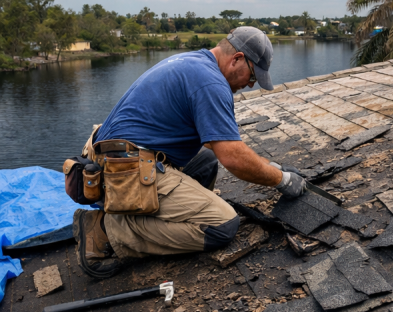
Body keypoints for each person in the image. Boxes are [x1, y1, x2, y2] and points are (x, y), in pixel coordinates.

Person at [73, 26, 307, 279]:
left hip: (109, 160)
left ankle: (158, 216)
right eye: (253, 75)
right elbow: (233, 158)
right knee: (223, 226)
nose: (251, 84)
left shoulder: (195, 61)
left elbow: (219, 144)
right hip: (121, 173)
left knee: (206, 161)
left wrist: (271, 167)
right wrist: (282, 180)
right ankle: (107, 230)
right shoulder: (211, 83)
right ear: (237, 59)